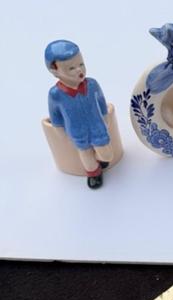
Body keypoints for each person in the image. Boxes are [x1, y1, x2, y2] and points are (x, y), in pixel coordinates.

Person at [45, 40, 114, 189]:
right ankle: (93, 173)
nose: (79, 70)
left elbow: (101, 101)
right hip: (77, 131)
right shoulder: (55, 94)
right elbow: (55, 116)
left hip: (97, 125)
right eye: (71, 68)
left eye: (81, 64)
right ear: (55, 71)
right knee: (85, 154)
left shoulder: (92, 85)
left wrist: (105, 116)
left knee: (107, 155)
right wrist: (60, 131)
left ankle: (100, 158)